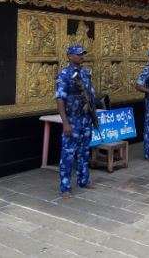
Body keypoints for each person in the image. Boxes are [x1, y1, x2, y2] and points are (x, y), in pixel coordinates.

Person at [55, 44, 96, 198]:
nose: (81, 57)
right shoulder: (64, 74)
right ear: (70, 56)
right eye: (79, 54)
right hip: (72, 120)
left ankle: (83, 180)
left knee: (84, 152)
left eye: (82, 54)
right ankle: (65, 187)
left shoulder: (86, 73)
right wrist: (65, 122)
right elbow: (60, 99)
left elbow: (90, 95)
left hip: (86, 119)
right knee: (68, 154)